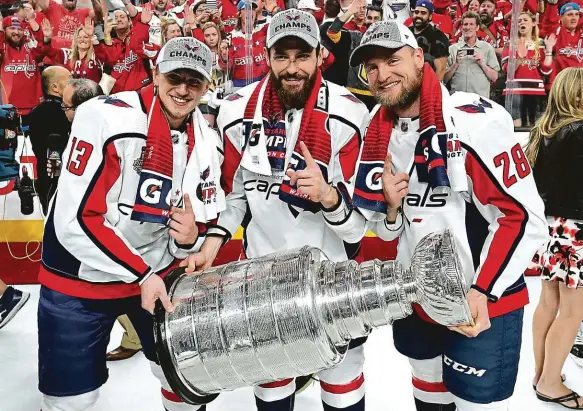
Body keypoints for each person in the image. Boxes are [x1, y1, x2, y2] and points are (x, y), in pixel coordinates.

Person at [325, 19, 547, 411]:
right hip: (415, 297)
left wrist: (483, 292)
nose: (381, 74)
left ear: (417, 58)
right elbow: (389, 234)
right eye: (372, 67)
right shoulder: (376, 133)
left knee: (475, 405)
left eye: (392, 60)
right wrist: (391, 210)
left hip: (479, 302)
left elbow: (523, 218)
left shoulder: (474, 121)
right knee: (427, 392)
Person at [182, 9, 370, 411]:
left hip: (331, 278)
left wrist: (328, 196)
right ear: (265, 56)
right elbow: (234, 198)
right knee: (272, 387)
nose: (291, 67)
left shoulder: (351, 114)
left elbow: (357, 230)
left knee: (342, 385)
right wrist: (212, 243)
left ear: (321, 56)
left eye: (302, 56)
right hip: (262, 280)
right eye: (281, 56)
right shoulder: (235, 112)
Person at [36, 37, 225, 411]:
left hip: (155, 273)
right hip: (80, 282)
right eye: (175, 77)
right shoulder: (102, 116)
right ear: (155, 74)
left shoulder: (206, 140)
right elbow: (74, 221)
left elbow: (197, 219)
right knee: (70, 401)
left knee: (183, 383)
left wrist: (189, 239)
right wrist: (141, 275)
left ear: (207, 87)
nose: (183, 90)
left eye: (195, 81)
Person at [526, 67, 583, 409]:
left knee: (548, 303)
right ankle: (550, 382)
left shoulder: (541, 132)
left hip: (551, 228)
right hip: (576, 228)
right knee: (573, 312)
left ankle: (542, 373)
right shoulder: (579, 132)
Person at [27, 65, 72, 214]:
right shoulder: (67, 113)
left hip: (45, 182)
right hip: (64, 183)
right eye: (70, 81)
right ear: (55, 87)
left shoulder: (35, 113)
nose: (74, 85)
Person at [501, 11, 552, 127]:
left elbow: (546, 71)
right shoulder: (510, 45)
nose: (521, 23)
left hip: (536, 92)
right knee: (516, 128)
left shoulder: (541, 44)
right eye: (519, 21)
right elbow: (507, 71)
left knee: (536, 129)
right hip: (514, 91)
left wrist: (548, 51)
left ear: (533, 23)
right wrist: (520, 57)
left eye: (525, 20)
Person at [0, 16, 53, 116]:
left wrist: (47, 40)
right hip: (8, 108)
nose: (16, 32)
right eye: (12, 28)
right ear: (4, 30)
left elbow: (42, 50)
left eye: (20, 29)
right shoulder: (3, 50)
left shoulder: (30, 48)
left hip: (35, 108)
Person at [445, 11, 499, 98]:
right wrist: (456, 64)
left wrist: (482, 64)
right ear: (462, 27)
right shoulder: (452, 49)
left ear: (477, 27)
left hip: (480, 101)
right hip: (457, 100)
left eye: (471, 24)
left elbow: (494, 77)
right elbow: (444, 79)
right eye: (465, 24)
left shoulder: (487, 48)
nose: (468, 27)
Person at [407, 0, 449, 80]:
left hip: (427, 82)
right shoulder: (406, 32)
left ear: (430, 16)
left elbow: (440, 69)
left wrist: (434, 89)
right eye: (416, 12)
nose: (418, 15)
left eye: (423, 13)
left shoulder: (439, 36)